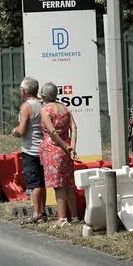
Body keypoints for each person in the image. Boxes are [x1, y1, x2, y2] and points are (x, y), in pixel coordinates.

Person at [39, 82, 80, 226]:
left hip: (53, 149)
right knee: (68, 184)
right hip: (66, 149)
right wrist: (71, 148)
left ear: (43, 96)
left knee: (58, 185)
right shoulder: (65, 108)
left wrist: (64, 147)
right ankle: (74, 216)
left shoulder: (45, 110)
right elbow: (74, 128)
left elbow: (52, 132)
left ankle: (62, 219)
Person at [12, 77, 46, 224]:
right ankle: (42, 212)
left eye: (21, 89)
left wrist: (15, 131)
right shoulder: (43, 104)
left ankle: (36, 213)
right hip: (43, 148)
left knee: (34, 183)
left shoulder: (27, 106)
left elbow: (22, 130)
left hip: (31, 149)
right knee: (41, 182)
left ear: (25, 91)